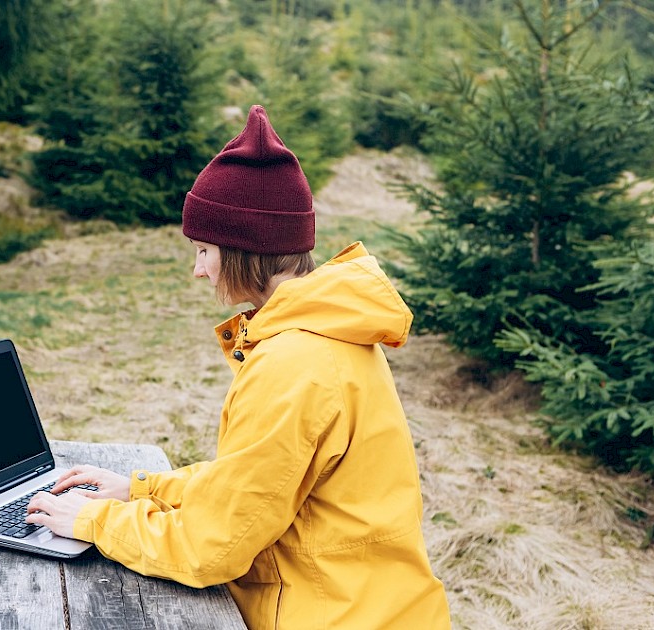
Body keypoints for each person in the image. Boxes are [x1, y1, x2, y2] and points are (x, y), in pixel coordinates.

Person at [26, 104, 451, 629]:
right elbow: (254, 486)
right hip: (380, 607)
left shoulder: (294, 364)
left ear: (245, 250)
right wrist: (142, 490)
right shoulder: (332, 330)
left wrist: (94, 520)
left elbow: (212, 547)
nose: (198, 271)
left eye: (204, 251)